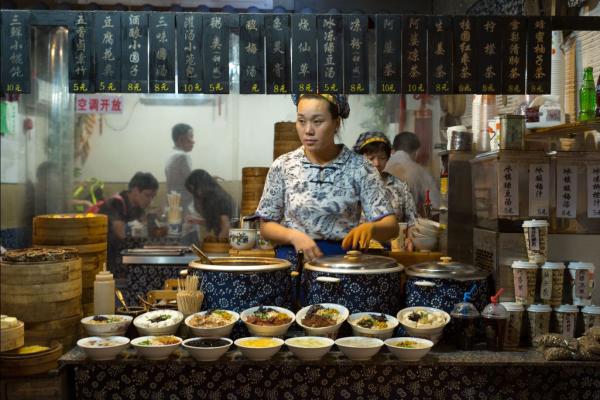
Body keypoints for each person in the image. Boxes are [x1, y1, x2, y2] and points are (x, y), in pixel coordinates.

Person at [256, 94, 398, 264]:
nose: (308, 130)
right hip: (294, 263)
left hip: (342, 264)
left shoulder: (361, 167)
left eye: (317, 121)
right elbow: (266, 226)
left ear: (336, 123)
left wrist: (373, 228)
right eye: (301, 121)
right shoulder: (283, 165)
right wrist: (293, 236)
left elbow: (391, 226)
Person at [353, 131, 418, 244]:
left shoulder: (400, 186)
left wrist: (410, 239)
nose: (377, 163)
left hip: (394, 250)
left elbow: (412, 222)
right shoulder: (351, 186)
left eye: (382, 158)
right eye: (371, 158)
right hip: (360, 250)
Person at [98, 172, 158, 276]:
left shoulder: (138, 208)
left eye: (153, 197)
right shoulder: (116, 203)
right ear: (135, 190)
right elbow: (121, 234)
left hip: (124, 256)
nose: (150, 201)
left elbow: (144, 231)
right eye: (147, 195)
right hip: (107, 259)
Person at [385, 131, 441, 213]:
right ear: (416, 152)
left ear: (393, 150)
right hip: (406, 224)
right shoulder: (420, 171)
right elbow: (436, 206)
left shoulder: (381, 166)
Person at [184, 169, 234, 244]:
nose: (196, 193)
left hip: (231, 243)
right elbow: (216, 221)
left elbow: (226, 226)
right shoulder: (211, 198)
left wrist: (218, 244)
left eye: (195, 189)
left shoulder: (219, 198)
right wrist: (196, 221)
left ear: (202, 185)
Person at [165, 123, 195, 215]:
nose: (194, 141)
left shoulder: (170, 156)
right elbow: (194, 183)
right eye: (191, 137)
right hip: (186, 208)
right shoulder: (183, 156)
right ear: (181, 139)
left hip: (173, 207)